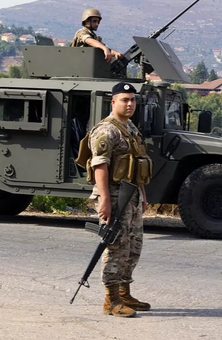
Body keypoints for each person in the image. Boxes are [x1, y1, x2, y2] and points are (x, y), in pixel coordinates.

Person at [84, 82, 152, 317]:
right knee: (115, 246)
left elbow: (137, 164)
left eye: (133, 99)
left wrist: (142, 194)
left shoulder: (130, 127)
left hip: (131, 194)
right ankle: (111, 300)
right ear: (113, 102)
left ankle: (125, 293)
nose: (130, 103)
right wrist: (104, 199)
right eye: (125, 99)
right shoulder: (106, 130)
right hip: (112, 194)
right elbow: (100, 165)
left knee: (133, 246)